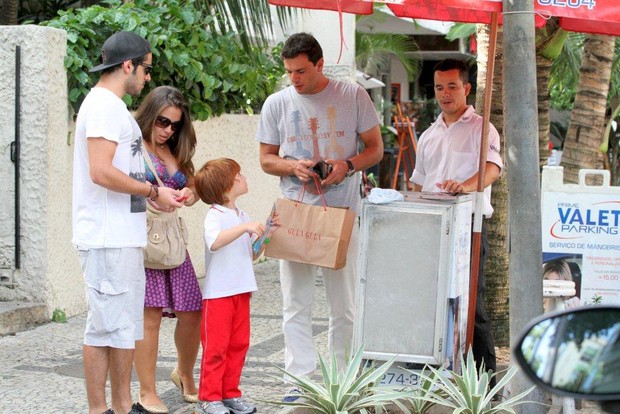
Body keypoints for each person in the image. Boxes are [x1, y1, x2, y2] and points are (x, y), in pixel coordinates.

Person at [255, 32, 383, 397]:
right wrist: (293, 167)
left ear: (320, 64)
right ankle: (299, 379)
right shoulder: (276, 104)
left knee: (343, 304)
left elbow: (375, 149)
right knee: (295, 302)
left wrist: (347, 164)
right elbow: (266, 159)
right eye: (289, 72)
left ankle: (342, 379)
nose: (294, 79)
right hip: (294, 213)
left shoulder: (352, 95)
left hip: (342, 211)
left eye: (301, 71)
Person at [72, 31, 183, 414]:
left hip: (122, 237)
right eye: (146, 69)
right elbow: (101, 172)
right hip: (106, 238)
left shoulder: (114, 107)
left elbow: (123, 171)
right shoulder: (103, 106)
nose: (148, 78)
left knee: (121, 330)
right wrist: (153, 192)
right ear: (127, 65)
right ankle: (100, 410)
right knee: (103, 328)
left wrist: (160, 193)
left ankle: (121, 407)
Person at [410, 59, 502, 383]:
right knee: (432, 302)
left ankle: (485, 385)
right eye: (439, 87)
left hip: (470, 228)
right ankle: (433, 377)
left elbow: (492, 169)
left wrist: (464, 187)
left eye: (452, 86)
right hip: (432, 229)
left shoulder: (483, 128)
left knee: (471, 306)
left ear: (466, 88)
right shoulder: (428, 135)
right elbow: (418, 184)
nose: (445, 94)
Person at [133, 86, 202, 414]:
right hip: (146, 243)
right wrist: (152, 193)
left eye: (175, 124)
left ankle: (184, 372)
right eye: (162, 122)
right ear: (150, 113)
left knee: (193, 312)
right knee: (150, 319)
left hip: (174, 243)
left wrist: (189, 193)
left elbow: (193, 186)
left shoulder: (174, 149)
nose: (168, 130)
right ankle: (147, 392)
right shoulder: (133, 145)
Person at [192, 158, 280, 414]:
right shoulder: (215, 216)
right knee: (216, 348)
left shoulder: (243, 215)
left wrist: (265, 237)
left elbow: (252, 254)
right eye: (238, 174)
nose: (243, 177)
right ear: (225, 186)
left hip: (242, 291)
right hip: (218, 295)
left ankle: (230, 394)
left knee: (238, 345)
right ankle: (208, 397)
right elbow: (215, 242)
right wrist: (245, 228)